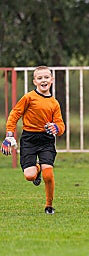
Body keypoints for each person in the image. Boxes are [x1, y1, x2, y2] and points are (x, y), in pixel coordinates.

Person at [2, 66, 65, 214]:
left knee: (48, 174)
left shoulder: (54, 103)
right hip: (29, 139)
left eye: (46, 77)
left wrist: (56, 128)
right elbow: (14, 114)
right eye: (40, 78)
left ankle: (49, 206)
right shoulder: (28, 97)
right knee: (29, 176)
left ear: (52, 80)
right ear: (34, 81)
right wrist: (9, 135)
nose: (43, 80)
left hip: (46, 140)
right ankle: (36, 170)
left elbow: (61, 125)